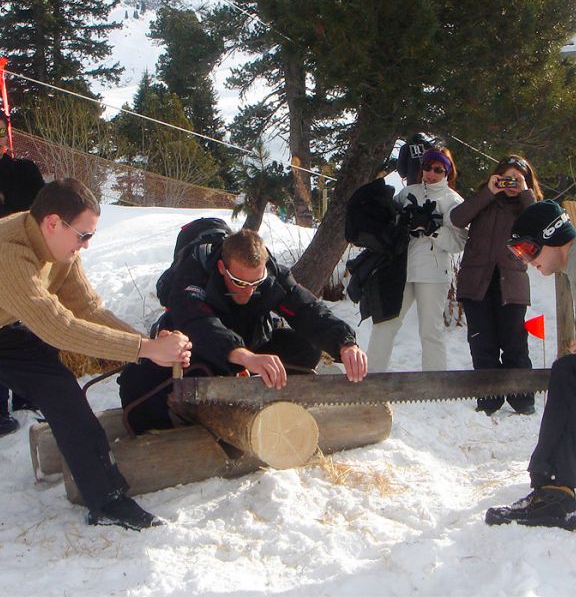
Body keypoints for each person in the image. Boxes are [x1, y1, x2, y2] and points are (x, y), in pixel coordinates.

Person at [0, 178, 192, 530]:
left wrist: (146, 346)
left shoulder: (62, 249)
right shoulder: (9, 251)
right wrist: (145, 349)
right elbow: (58, 327)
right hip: (22, 319)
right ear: (53, 223)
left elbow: (87, 309)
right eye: (83, 236)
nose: (86, 246)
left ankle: (106, 501)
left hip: (10, 330)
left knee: (64, 396)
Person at [119, 228, 368, 434]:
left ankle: (273, 408)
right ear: (220, 267)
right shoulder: (194, 270)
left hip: (248, 347)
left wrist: (344, 342)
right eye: (239, 282)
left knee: (306, 348)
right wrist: (241, 355)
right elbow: (197, 322)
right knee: (137, 378)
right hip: (199, 349)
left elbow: (307, 310)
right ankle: (173, 426)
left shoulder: (273, 274)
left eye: (255, 283)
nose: (247, 291)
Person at [485, 200, 576, 531]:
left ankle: (554, 494)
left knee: (570, 374)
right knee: (575, 372)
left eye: (529, 249)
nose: (528, 261)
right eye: (520, 254)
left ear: (552, 235)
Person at [450, 155, 543, 415]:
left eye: (516, 179)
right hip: (476, 281)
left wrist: (525, 193)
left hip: (510, 283)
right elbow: (457, 218)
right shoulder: (484, 201)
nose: (510, 183)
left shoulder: (528, 206)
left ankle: (522, 399)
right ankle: (488, 399)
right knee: (482, 342)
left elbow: (541, 225)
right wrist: (488, 192)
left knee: (514, 341)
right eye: (506, 177)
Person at [367, 148, 467, 372]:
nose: (431, 173)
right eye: (427, 167)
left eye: (438, 169)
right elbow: (387, 224)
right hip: (402, 269)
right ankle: (372, 378)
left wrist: (433, 229)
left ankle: (434, 382)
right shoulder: (407, 193)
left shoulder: (453, 201)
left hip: (433, 273)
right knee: (385, 324)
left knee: (430, 331)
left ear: (447, 173)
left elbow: (459, 243)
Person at [0, 110, 46, 435]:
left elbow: (43, 214)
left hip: (24, 261)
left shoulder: (24, 171)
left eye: (1, 132)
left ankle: (28, 397)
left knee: (31, 324)